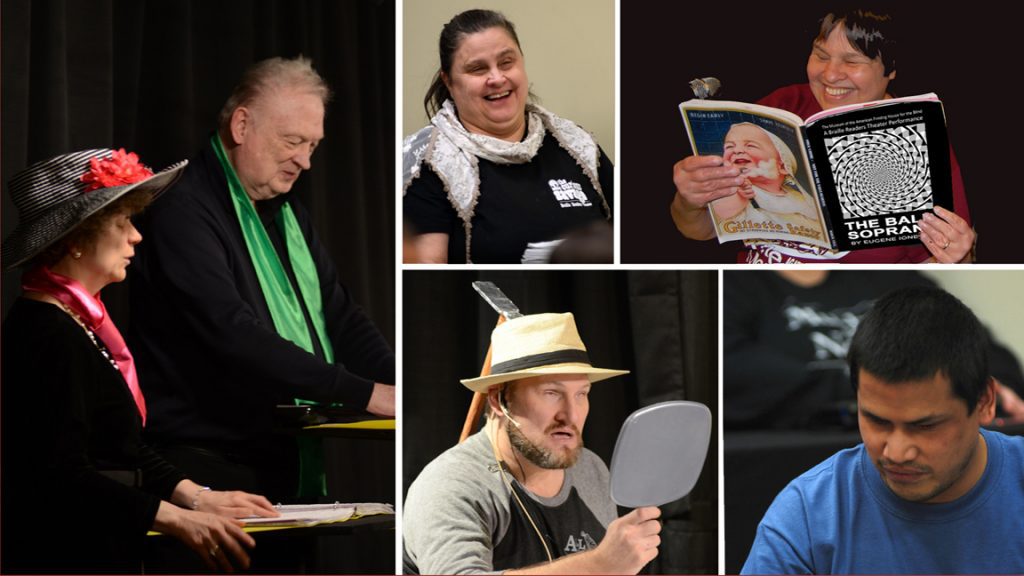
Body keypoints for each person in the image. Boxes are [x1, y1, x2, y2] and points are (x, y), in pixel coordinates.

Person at [128, 57, 395, 502]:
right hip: (203, 467)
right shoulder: (183, 208)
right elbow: (232, 331)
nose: (305, 161)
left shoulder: (289, 214)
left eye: (313, 145)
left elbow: (341, 316)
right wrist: (363, 392)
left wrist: (394, 384)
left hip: (279, 456)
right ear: (241, 125)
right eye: (293, 141)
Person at [1, 148, 279, 573]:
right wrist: (177, 519)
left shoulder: (72, 323)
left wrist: (198, 497)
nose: (137, 236)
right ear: (76, 240)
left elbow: (119, 447)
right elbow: (59, 472)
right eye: (121, 222)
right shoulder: (45, 333)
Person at [741, 286, 1024, 574]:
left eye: (925, 426)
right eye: (877, 420)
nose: (897, 453)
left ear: (984, 402)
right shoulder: (807, 515)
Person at [672, 9, 975, 264]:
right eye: (820, 55)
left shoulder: (917, 137)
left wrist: (959, 256)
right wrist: (690, 200)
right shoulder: (783, 106)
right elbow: (698, 230)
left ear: (890, 69)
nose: (830, 75)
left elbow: (954, 259)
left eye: (853, 62)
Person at [403, 313, 662, 574]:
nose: (571, 415)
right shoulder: (451, 485)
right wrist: (598, 564)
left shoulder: (590, 468)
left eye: (581, 394)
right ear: (498, 400)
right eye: (551, 393)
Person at [403, 9, 614, 264]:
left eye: (506, 63)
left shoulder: (576, 144)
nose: (497, 78)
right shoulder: (426, 163)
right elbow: (426, 269)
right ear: (449, 82)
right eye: (478, 69)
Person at [724, 271, 1024, 430]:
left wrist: (978, 383)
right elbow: (732, 372)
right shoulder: (732, 284)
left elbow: (985, 355)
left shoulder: (889, 274)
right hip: (782, 457)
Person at [712, 123, 824, 242]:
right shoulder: (735, 190)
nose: (737, 150)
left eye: (750, 145)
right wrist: (737, 194)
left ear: (782, 166)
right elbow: (719, 212)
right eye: (729, 147)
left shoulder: (800, 198)